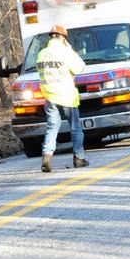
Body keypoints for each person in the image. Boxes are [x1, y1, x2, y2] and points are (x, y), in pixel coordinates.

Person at [36, 24, 89, 173]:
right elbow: (80, 67)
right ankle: (79, 158)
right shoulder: (65, 52)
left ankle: (47, 157)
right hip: (66, 96)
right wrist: (70, 49)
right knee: (75, 128)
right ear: (63, 38)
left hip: (49, 96)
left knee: (52, 128)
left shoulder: (42, 53)